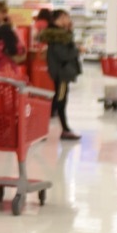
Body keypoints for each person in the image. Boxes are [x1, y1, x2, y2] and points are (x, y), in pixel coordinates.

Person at [40, 9, 81, 140]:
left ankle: (60, 129)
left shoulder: (60, 34)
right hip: (62, 73)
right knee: (59, 101)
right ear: (61, 18)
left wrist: (69, 32)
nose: (69, 20)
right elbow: (64, 55)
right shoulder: (58, 36)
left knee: (59, 100)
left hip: (61, 72)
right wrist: (77, 50)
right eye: (67, 17)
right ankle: (63, 129)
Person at [0, 0, 25, 75]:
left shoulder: (4, 27)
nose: (5, 15)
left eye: (6, 12)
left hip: (2, 69)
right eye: (3, 13)